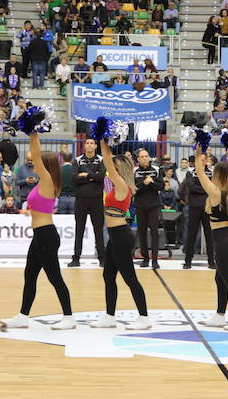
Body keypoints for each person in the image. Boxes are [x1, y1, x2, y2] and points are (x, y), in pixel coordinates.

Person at [0, 131, 75, 330]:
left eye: (39, 161)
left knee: (54, 277)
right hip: (40, 235)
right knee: (30, 275)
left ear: (45, 165)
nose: (34, 163)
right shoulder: (44, 182)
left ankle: (69, 317)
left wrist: (33, 134)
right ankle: (23, 315)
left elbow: (35, 152)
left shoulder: (49, 180)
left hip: (46, 236)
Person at [89, 138, 151, 330]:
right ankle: (109, 316)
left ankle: (144, 317)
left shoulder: (123, 185)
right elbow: (107, 164)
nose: (110, 170)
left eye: (114, 168)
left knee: (130, 278)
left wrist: (103, 140)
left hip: (122, 236)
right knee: (108, 276)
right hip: (115, 236)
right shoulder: (117, 187)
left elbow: (107, 161)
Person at [193, 143, 228, 331]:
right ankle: (220, 315)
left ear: (217, 175)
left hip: (224, 241)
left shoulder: (216, 193)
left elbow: (199, 172)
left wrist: (198, 151)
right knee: (221, 278)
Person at [68, 139, 106, 267]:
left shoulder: (101, 160)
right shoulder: (77, 160)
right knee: (79, 229)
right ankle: (76, 258)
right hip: (81, 199)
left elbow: (101, 177)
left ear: (95, 146)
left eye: (92, 143)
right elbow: (74, 179)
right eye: (87, 143)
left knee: (98, 230)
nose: (89, 145)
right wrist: (92, 176)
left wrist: (85, 175)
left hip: (97, 199)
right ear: (84, 146)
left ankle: (102, 258)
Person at [180, 154, 216, 270]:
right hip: (194, 207)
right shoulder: (190, 173)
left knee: (209, 235)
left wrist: (205, 188)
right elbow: (191, 187)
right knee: (192, 234)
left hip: (208, 207)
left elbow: (213, 187)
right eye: (200, 160)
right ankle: (188, 261)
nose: (203, 161)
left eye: (204, 160)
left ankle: (211, 261)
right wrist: (206, 189)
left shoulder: (211, 173)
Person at [134, 149, 162, 269]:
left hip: (153, 205)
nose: (145, 158)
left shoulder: (156, 169)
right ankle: (145, 258)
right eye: (142, 157)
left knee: (154, 232)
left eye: (147, 156)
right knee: (142, 232)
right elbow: (133, 188)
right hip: (140, 205)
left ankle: (155, 260)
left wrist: (152, 183)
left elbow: (161, 186)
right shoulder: (134, 171)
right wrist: (143, 183)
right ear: (138, 159)